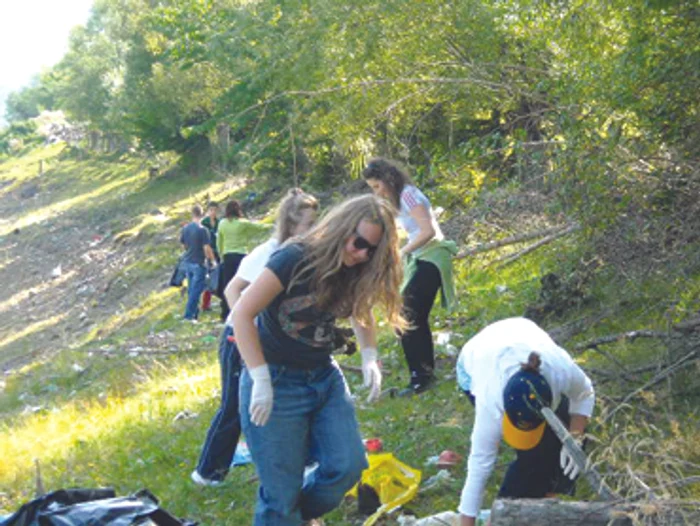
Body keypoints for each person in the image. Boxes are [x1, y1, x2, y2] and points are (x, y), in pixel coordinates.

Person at [232, 194, 406, 525]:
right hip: (275, 377)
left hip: (323, 377)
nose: (361, 254)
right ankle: (285, 514)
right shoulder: (294, 258)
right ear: (342, 228)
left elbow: (361, 310)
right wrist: (261, 378)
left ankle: (293, 516)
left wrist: (370, 355)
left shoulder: (357, 268)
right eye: (358, 243)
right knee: (280, 492)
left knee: (348, 466)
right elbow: (242, 314)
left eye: (371, 250)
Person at [192, 189, 319, 486]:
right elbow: (231, 290)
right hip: (238, 340)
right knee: (235, 407)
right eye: (308, 224)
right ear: (290, 223)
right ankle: (208, 471)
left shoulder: (300, 253)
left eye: (316, 222)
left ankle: (307, 460)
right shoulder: (268, 252)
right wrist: (249, 325)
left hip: (270, 341)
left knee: (288, 398)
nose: (314, 229)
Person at [455, 317, 596, 526]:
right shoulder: (490, 400)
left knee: (554, 439)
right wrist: (466, 521)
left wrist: (574, 439)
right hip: (475, 357)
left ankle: (548, 496)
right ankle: (510, 511)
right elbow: (479, 465)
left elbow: (584, 394)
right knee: (533, 458)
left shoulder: (559, 371)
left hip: (522, 330)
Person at [363, 158, 457, 395]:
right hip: (418, 257)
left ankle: (421, 377)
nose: (377, 192)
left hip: (433, 256)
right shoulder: (396, 200)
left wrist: (402, 252)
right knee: (404, 316)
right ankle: (420, 373)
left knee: (409, 315)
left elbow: (428, 231)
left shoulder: (409, 195)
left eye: (377, 186)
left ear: (387, 179)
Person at [216, 200, 269, 322]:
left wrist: (221, 254)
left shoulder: (222, 223)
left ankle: (225, 313)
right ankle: (243, 309)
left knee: (228, 285)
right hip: (241, 255)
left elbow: (219, 240)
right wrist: (274, 225)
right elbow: (259, 227)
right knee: (242, 285)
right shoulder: (242, 223)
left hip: (228, 255)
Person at [180, 204, 216, 321]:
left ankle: (194, 314)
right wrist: (212, 260)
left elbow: (184, 245)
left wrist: (189, 250)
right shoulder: (203, 230)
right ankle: (188, 316)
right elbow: (207, 248)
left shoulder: (185, 228)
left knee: (191, 289)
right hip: (199, 263)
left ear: (192, 214)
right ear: (201, 214)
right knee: (196, 291)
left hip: (188, 261)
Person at [200, 201, 220, 312]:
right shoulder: (204, 223)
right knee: (208, 279)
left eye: (215, 210)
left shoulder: (219, 222)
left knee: (219, 277)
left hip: (218, 251)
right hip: (207, 252)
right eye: (211, 210)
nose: (213, 212)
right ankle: (205, 305)